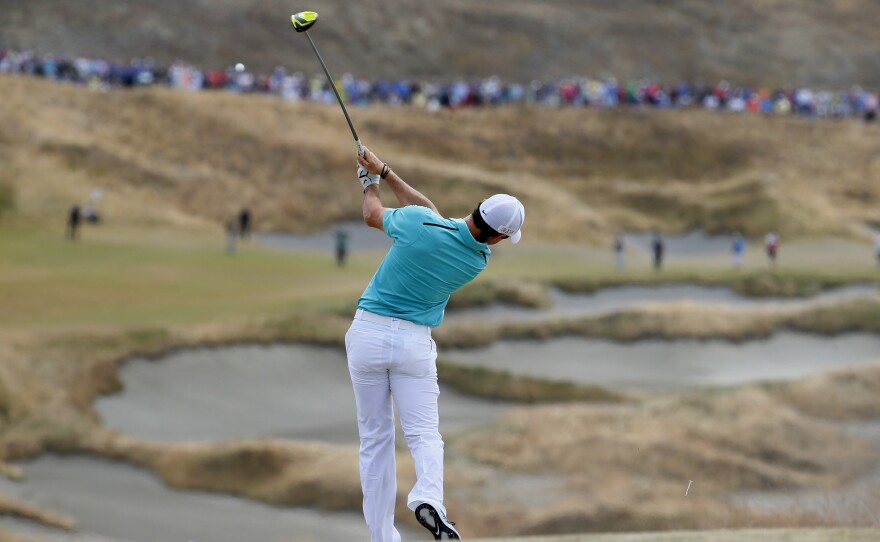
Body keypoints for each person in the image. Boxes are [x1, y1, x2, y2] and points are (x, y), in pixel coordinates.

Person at [346, 145, 525, 541]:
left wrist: (370, 183)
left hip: (368, 335)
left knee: (375, 439)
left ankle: (381, 535)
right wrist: (386, 173)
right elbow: (433, 216)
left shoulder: (417, 224)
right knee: (426, 434)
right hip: (413, 345)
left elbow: (373, 215)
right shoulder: (476, 260)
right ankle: (429, 498)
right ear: (496, 236)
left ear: (477, 207)